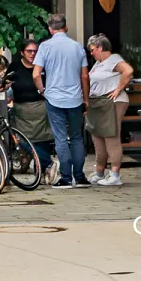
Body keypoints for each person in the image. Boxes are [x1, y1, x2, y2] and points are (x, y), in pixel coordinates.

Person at [32, 13, 91, 189]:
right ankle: (80, 177)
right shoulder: (77, 47)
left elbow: (36, 74)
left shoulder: (45, 47)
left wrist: (43, 90)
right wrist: (85, 99)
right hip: (75, 98)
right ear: (66, 27)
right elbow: (85, 76)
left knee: (60, 138)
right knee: (77, 137)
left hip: (54, 98)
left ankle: (65, 178)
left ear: (50, 29)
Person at [85, 35, 133, 187]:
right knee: (98, 136)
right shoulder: (99, 63)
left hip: (112, 102)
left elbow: (128, 71)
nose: (91, 53)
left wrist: (118, 89)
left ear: (100, 47)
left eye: (92, 50)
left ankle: (115, 174)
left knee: (111, 135)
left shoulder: (113, 59)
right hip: (99, 103)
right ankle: (100, 171)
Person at [3, 38, 53, 176]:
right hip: (21, 109)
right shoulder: (15, 67)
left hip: (40, 108)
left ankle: (42, 171)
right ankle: (47, 163)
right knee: (21, 139)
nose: (32, 54)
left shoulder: (43, 66)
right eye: (29, 51)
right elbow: (5, 85)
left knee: (42, 140)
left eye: (35, 51)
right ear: (22, 53)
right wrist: (6, 89)